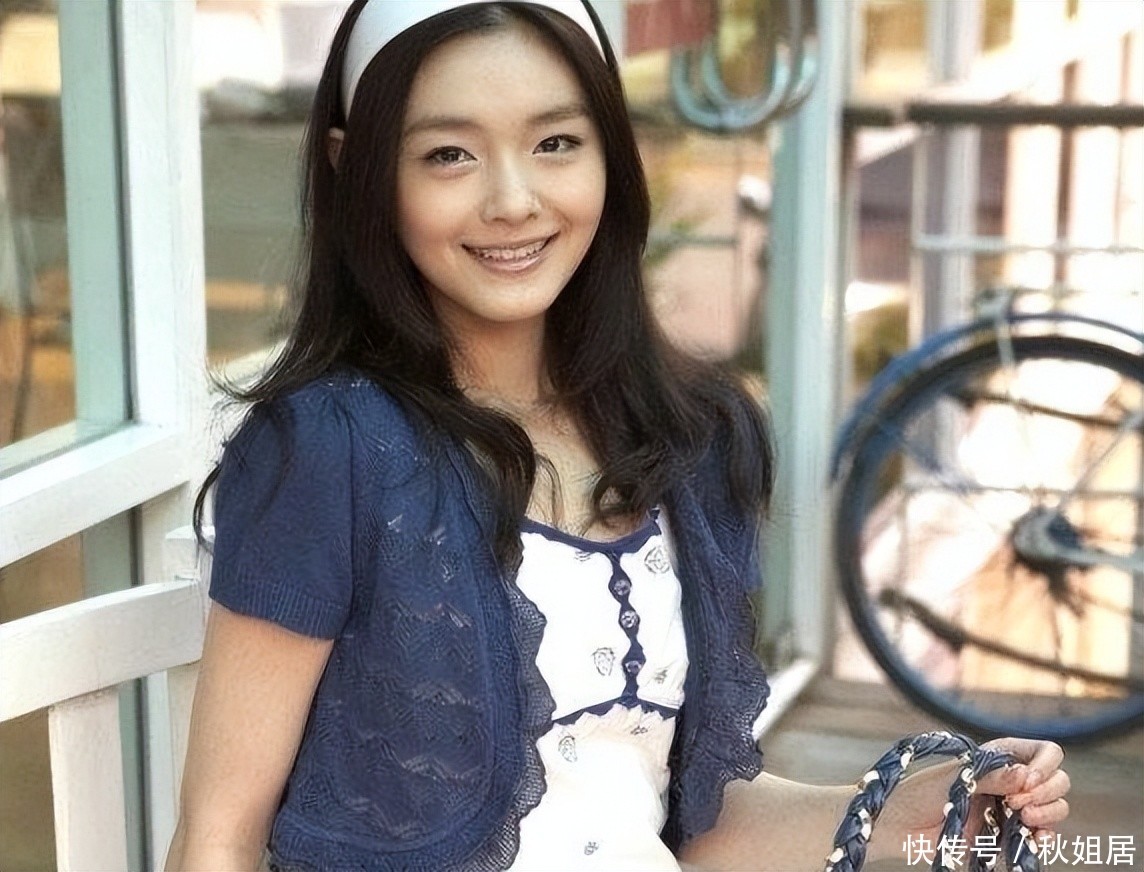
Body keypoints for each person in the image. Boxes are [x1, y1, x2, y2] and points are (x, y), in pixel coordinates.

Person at [165, 2, 1071, 870]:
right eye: (448, 154)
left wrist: (913, 811)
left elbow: (686, 822)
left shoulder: (691, 438)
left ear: (611, 151)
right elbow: (219, 836)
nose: (513, 200)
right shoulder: (328, 451)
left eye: (556, 143)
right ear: (356, 169)